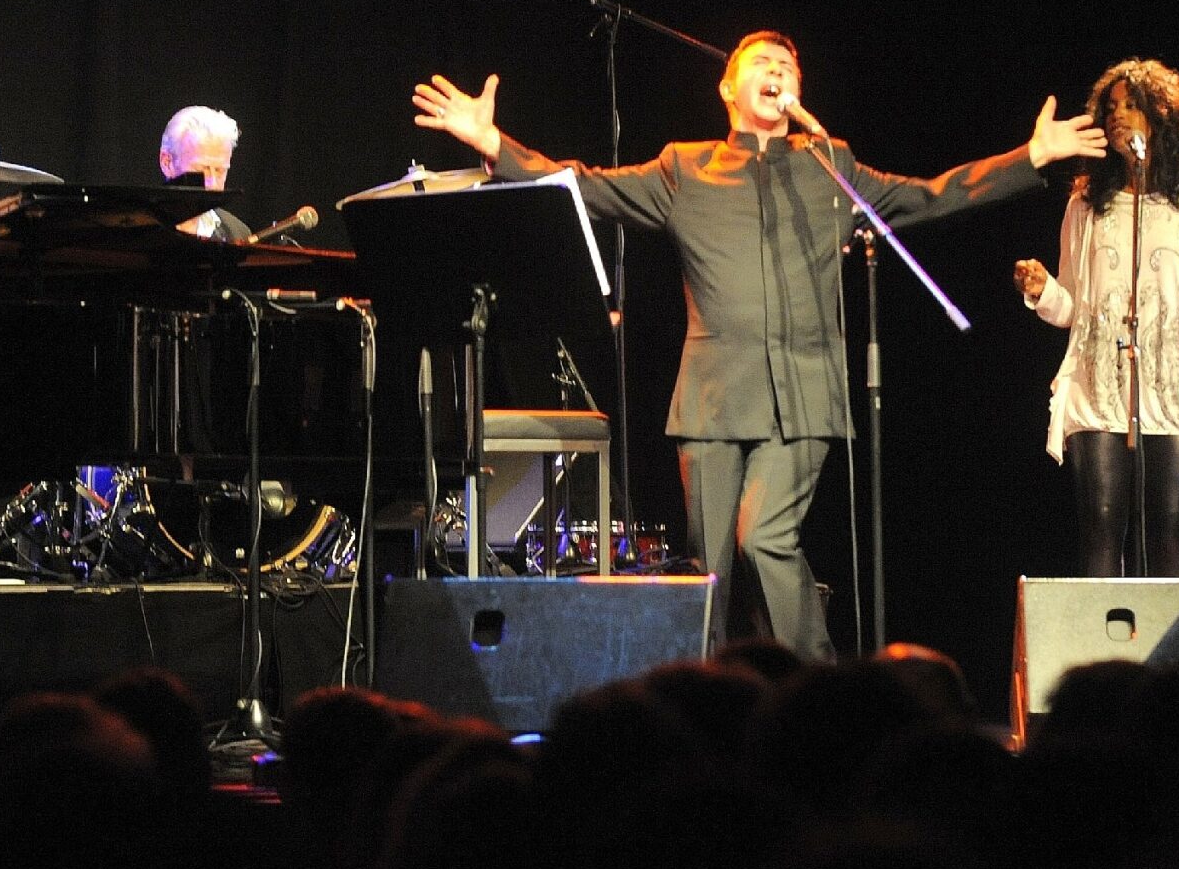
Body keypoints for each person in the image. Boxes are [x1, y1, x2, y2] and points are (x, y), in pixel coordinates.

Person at [413, 32, 1105, 658]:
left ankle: (813, 686)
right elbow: (582, 187)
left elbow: (927, 196)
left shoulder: (829, 163)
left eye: (787, 65)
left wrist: (1031, 157)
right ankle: (709, 698)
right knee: (707, 560)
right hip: (714, 395)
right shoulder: (684, 168)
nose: (777, 71)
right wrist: (495, 145)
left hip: (806, 392)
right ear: (730, 89)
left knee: (765, 537)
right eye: (761, 64)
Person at [1014, 59, 1179, 577]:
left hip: (1172, 389)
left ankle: (1177, 658)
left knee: (1168, 529)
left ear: (1161, 116)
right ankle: (1105, 657)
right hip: (1099, 387)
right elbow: (1074, 308)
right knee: (1101, 529)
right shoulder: (1087, 205)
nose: (1119, 116)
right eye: (1111, 108)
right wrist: (1043, 292)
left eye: (1132, 105)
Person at [158, 104, 252, 241]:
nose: (213, 185)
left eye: (220, 171)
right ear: (167, 163)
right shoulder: (137, 228)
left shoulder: (238, 233)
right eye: (201, 170)